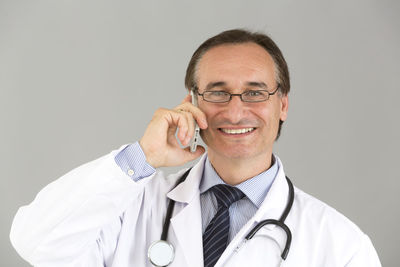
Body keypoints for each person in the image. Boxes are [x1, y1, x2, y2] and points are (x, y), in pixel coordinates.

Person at [10, 29, 381, 267]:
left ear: (282, 104)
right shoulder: (133, 205)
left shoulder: (341, 245)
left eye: (255, 92)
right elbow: (35, 243)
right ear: (191, 100)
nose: (236, 112)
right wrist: (142, 157)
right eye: (217, 92)